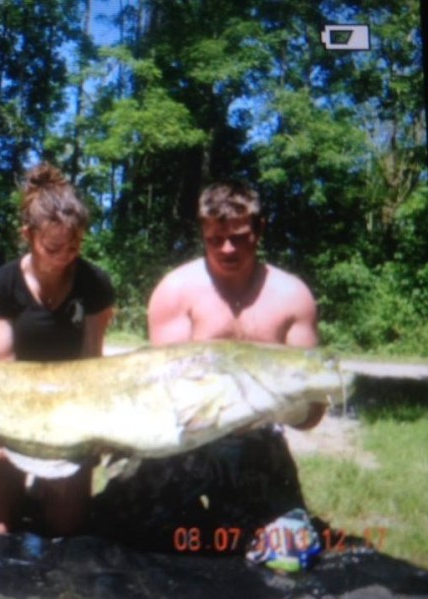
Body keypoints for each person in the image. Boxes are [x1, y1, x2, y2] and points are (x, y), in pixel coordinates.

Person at [94, 180, 324, 549]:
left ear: (260, 229)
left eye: (239, 237)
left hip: (256, 444)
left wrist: (287, 409)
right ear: (202, 232)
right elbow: (163, 396)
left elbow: (312, 415)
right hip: (183, 442)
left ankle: (231, 516)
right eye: (215, 239)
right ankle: (189, 518)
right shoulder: (175, 291)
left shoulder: (292, 297)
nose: (227, 248)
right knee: (115, 534)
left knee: (289, 552)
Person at [0, 163, 115, 536]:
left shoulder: (94, 283)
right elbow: (1, 363)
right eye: (53, 247)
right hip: (14, 403)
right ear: (28, 235)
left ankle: (47, 487)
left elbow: (92, 363)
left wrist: (91, 430)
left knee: (64, 532)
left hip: (68, 409)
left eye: (74, 246)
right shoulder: (2, 282)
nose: (64, 256)